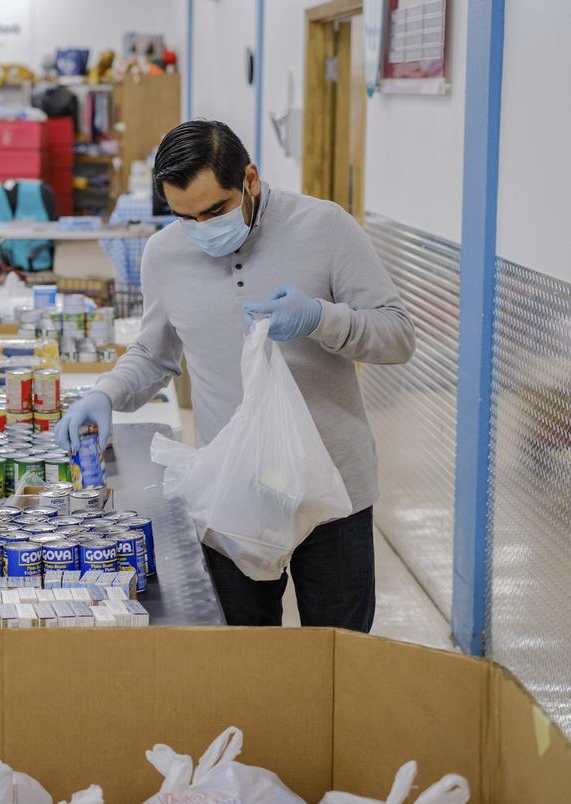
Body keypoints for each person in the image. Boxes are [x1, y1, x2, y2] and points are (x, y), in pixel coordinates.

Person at [56, 120, 415, 631]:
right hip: (231, 491)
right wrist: (107, 394)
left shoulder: (325, 227)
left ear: (250, 179)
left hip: (334, 489)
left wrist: (321, 319)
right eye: (185, 217)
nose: (203, 228)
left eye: (215, 211)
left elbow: (397, 336)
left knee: (338, 655)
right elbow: (154, 354)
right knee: (240, 655)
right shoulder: (165, 254)